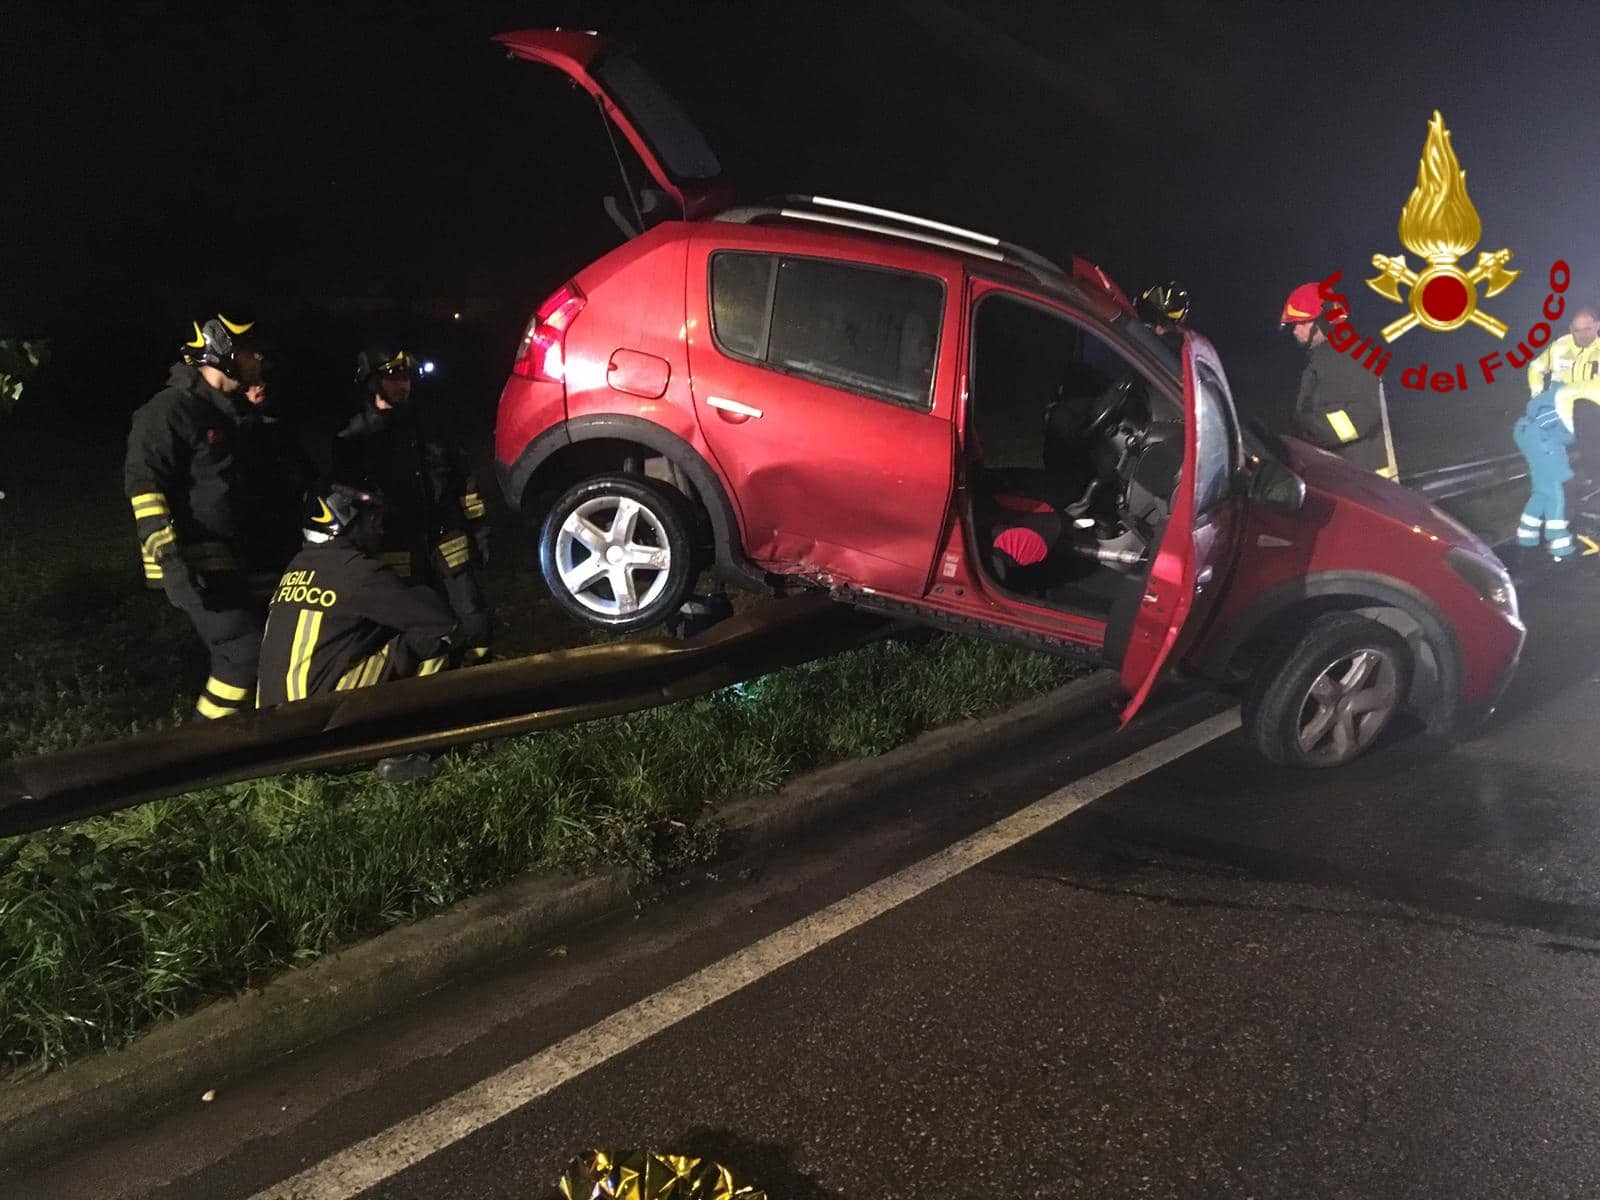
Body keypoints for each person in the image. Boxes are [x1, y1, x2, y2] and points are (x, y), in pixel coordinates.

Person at [257, 484, 457, 781]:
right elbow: (438, 620)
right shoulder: (358, 572)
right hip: (320, 734)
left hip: (276, 737)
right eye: (370, 519)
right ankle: (406, 753)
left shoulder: (297, 567)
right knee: (430, 641)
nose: (379, 527)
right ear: (343, 524)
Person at [124, 315, 267, 720]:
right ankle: (203, 744)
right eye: (245, 351)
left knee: (260, 646)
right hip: (196, 561)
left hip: (234, 555)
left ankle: (246, 741)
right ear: (219, 354)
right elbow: (144, 490)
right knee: (243, 652)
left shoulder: (220, 412)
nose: (256, 358)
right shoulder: (167, 412)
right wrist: (172, 563)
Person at [333, 345, 493, 665]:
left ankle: (479, 683)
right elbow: (343, 497)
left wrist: (478, 530)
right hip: (396, 542)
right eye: (393, 376)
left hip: (446, 533)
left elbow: (463, 476)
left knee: (474, 620)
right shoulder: (353, 437)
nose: (403, 384)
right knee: (415, 624)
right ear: (372, 380)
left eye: (405, 376)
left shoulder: (429, 423)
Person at [1280, 282, 1395, 478]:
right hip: (1345, 475)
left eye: (1302, 323)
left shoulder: (1349, 356)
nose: (1295, 331)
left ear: (1323, 322)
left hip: (1367, 481)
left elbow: (1365, 413)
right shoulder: (1325, 358)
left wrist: (1310, 430)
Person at [1513, 383, 1577, 562]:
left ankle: (1526, 536)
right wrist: (1574, 433)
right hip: (1545, 451)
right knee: (1556, 496)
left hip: (1536, 445)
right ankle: (1560, 546)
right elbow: (1559, 426)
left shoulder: (1548, 399)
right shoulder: (1561, 401)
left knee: (1541, 493)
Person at [1531, 306, 1600, 430]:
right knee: (1527, 425)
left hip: (1590, 408)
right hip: (1558, 403)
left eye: (1587, 329)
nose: (1583, 335)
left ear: (1597, 326)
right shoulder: (1560, 346)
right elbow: (1535, 368)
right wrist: (1537, 394)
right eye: (1577, 330)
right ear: (1571, 329)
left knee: (1538, 424)